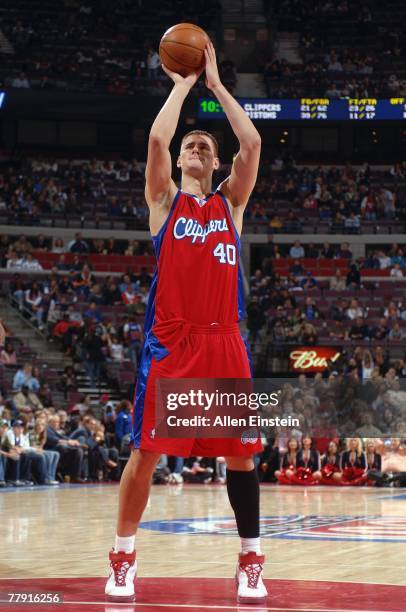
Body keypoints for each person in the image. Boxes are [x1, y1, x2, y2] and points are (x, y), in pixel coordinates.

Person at [105, 42, 266, 604]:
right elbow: (156, 138)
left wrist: (215, 85)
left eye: (205, 145)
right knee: (146, 453)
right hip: (172, 343)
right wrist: (180, 84)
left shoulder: (232, 206)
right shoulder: (163, 202)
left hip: (224, 342)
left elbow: (252, 142)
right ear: (179, 160)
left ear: (216, 164)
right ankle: (123, 558)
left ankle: (250, 559)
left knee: (240, 454)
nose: (196, 147)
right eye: (190, 144)